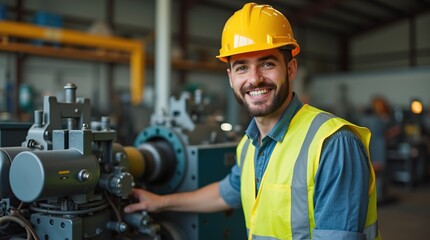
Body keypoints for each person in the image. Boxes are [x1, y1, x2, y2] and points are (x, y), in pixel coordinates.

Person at [125, 2, 380, 240]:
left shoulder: (333, 144)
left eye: (267, 63)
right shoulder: (248, 146)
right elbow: (225, 193)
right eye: (242, 67)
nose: (254, 79)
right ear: (230, 77)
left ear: (290, 69)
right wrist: (160, 201)